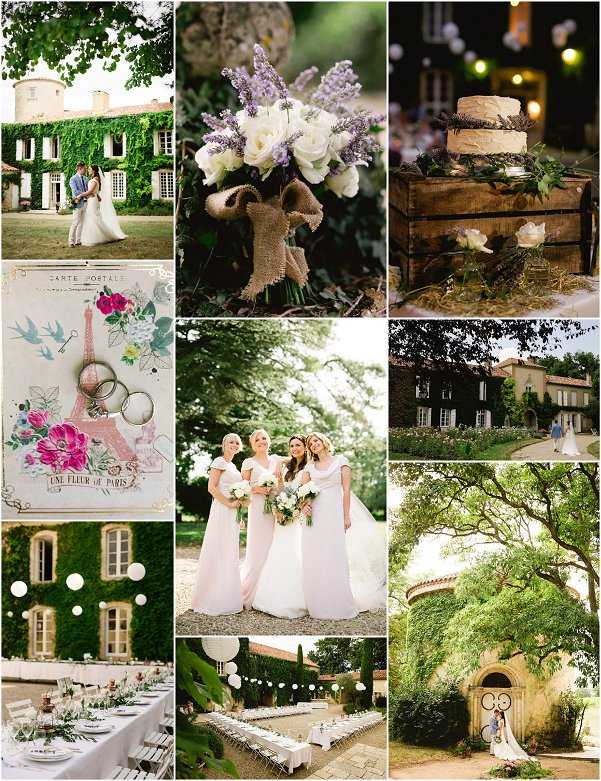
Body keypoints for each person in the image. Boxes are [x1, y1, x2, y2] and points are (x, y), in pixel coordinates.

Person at [252, 435, 308, 618]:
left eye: (298, 445)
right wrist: (280, 507)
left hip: (298, 515)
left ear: (306, 447)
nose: (294, 448)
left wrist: (295, 508)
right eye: (291, 446)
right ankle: (272, 597)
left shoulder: (309, 466)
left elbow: (307, 492)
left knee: (295, 550)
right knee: (280, 550)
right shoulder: (289, 466)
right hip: (283, 514)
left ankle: (297, 598)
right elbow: (283, 488)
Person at [191, 434, 244, 615]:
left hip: (233, 513)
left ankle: (227, 595)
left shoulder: (234, 466)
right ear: (224, 444)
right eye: (231, 441)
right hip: (221, 510)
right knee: (218, 548)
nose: (234, 444)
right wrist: (228, 503)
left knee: (230, 551)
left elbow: (238, 492)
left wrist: (239, 513)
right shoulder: (219, 462)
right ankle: (210, 596)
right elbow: (212, 487)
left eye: (237, 442)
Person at [240, 430, 282, 607]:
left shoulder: (276, 460)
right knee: (258, 549)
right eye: (257, 439)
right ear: (252, 444)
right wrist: (256, 489)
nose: (261, 441)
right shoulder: (249, 462)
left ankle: (271, 592)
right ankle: (252, 593)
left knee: (276, 547)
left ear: (268, 441)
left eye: (264, 438)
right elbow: (241, 486)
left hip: (276, 509)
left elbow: (296, 459)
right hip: (257, 510)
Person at [78, 164, 127, 246]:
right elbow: (94, 192)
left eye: (89, 169)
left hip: (93, 202)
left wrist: (80, 195)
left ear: (93, 170)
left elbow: (90, 191)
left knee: (94, 218)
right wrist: (97, 195)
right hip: (92, 200)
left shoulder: (95, 179)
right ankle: (92, 236)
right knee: (92, 218)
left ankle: (102, 236)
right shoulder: (94, 179)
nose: (88, 170)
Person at [68, 162, 89, 246]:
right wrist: (86, 193)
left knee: (82, 223)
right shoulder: (73, 179)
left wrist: (87, 194)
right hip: (77, 203)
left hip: (85, 203)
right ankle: (71, 241)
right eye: (84, 168)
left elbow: (89, 189)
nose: (86, 170)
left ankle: (78, 241)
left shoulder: (86, 179)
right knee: (75, 222)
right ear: (80, 168)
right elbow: (75, 191)